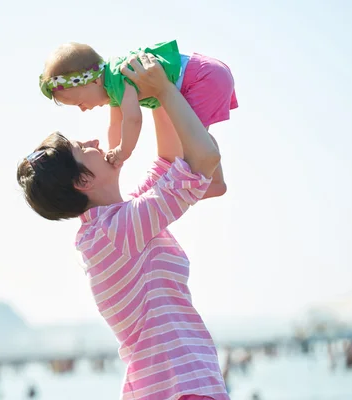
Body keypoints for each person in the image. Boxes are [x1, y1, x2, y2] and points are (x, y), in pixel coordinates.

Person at [18, 53, 228, 399]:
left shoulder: (111, 225)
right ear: (82, 181)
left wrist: (155, 87)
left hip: (174, 386)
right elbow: (203, 161)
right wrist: (164, 91)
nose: (96, 143)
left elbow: (169, 164)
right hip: (180, 387)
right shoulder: (114, 231)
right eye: (83, 148)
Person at [38, 39, 236, 198]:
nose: (83, 109)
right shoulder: (112, 83)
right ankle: (214, 181)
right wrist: (113, 156)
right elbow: (116, 124)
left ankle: (214, 183)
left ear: (94, 80)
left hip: (203, 79)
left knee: (191, 141)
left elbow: (133, 119)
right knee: (194, 136)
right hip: (208, 73)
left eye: (79, 102)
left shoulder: (120, 78)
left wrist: (124, 151)